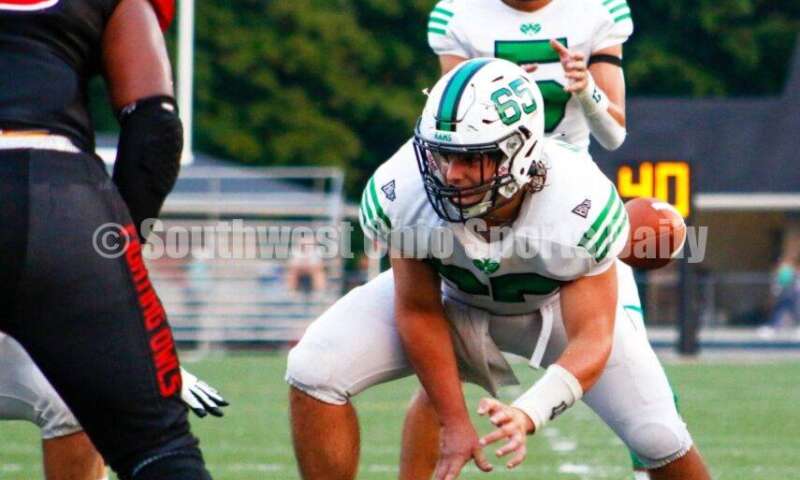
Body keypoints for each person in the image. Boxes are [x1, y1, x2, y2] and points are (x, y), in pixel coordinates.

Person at [286, 59, 711, 480]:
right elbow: (417, 309)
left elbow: (592, 339)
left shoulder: (578, 201)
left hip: (551, 307)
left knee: (659, 436)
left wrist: (529, 412)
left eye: (472, 158)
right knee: (313, 368)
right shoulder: (404, 190)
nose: (451, 174)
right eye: (442, 154)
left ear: (519, 151)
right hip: (453, 299)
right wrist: (454, 421)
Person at [425, 1, 655, 476]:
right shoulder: (457, 14)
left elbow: (613, 135)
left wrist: (586, 87)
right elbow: (442, 116)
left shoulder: (598, 10)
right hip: (481, 196)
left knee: (633, 354)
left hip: (566, 196)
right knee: (436, 368)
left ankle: (650, 460)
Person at [0, 0, 221, 478]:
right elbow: (155, 125)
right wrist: (108, 256)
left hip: (55, 198)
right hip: (57, 199)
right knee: (159, 448)